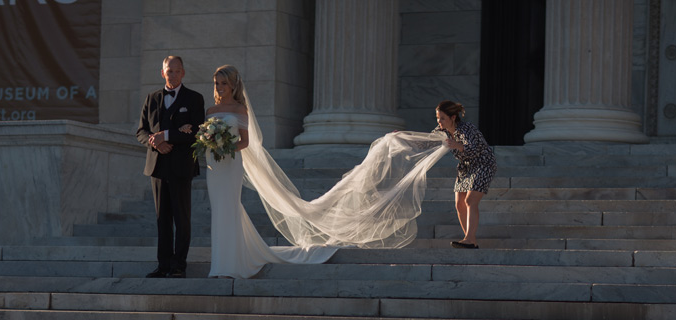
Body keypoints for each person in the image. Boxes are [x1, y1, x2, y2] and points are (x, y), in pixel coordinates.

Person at [176, 65, 450, 280]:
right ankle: (225, 261)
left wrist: (224, 143)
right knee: (221, 211)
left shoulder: (239, 109)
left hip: (231, 163)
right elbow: (202, 136)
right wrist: (209, 143)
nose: (220, 87)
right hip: (215, 166)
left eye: (224, 83)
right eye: (217, 83)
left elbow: (246, 142)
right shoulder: (210, 110)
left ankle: (231, 263)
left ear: (234, 85)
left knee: (229, 209)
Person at [136, 55, 206, 278]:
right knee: (162, 219)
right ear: (162, 72)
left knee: (181, 218)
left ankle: (178, 266)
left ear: (183, 73)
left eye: (177, 71)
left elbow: (196, 132)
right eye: (169, 71)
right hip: (156, 167)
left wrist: (166, 136)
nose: (172, 74)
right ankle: (163, 264)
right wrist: (155, 143)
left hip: (181, 167)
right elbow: (141, 131)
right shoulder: (152, 98)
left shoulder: (194, 99)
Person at [434, 100, 497, 249]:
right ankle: (470, 240)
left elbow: (474, 150)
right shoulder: (441, 131)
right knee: (459, 204)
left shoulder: (467, 128)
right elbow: (425, 141)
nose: (439, 121)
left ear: (453, 117)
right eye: (438, 118)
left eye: (442, 118)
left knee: (470, 200)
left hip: (483, 163)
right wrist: (401, 137)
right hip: (465, 167)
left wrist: (458, 145)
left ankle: (469, 239)